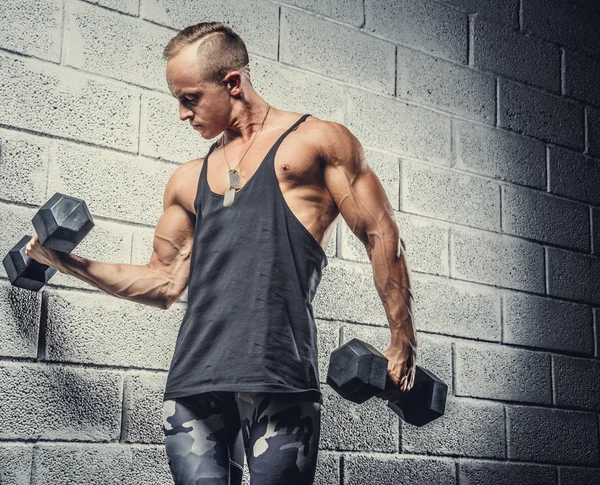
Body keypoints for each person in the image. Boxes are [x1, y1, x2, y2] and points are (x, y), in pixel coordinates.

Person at [24, 21, 417, 485]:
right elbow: (165, 283)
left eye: (189, 98)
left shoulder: (317, 143)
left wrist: (402, 336)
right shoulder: (187, 179)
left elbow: (379, 234)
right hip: (194, 382)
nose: (181, 114)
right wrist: (66, 262)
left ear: (232, 84)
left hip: (278, 376)